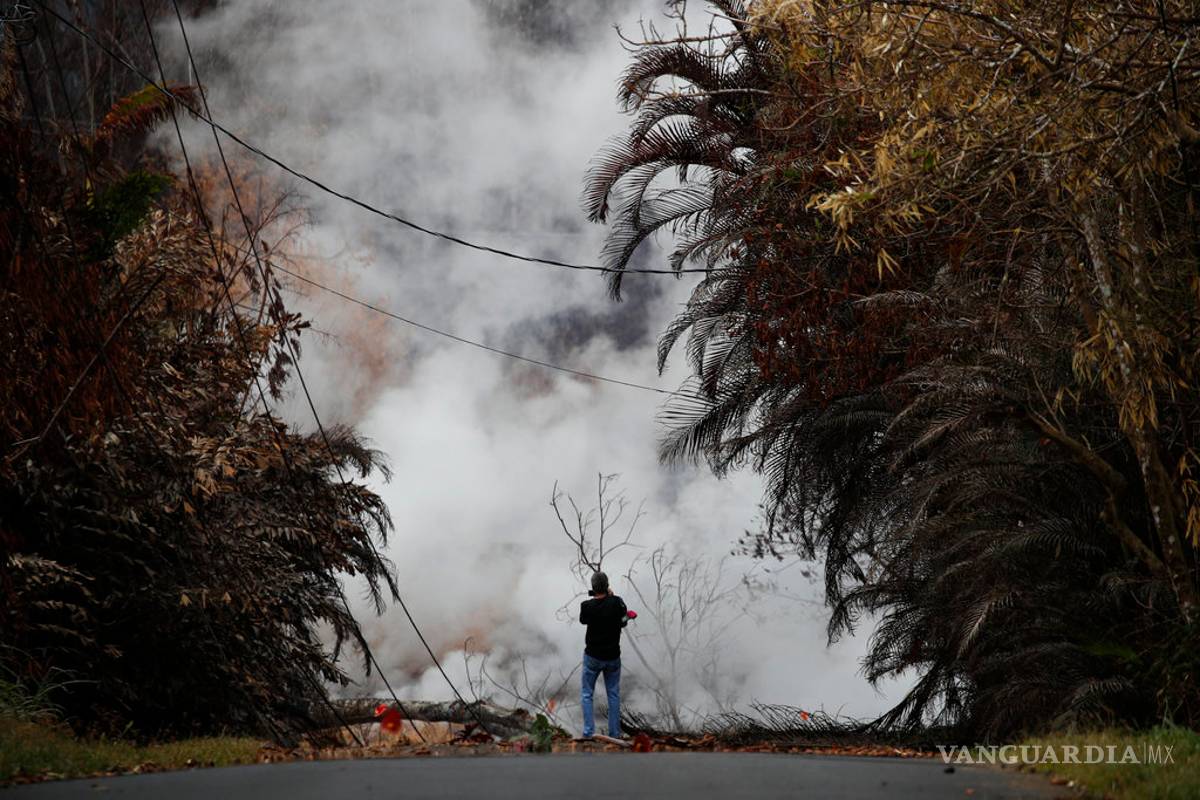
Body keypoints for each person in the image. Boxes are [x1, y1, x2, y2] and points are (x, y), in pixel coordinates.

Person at [578, 570, 628, 739]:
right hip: (613, 657)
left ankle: (588, 733)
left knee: (587, 694)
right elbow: (624, 622)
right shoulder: (617, 602)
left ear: (593, 587)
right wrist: (612, 598)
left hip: (592, 657)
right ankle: (615, 734)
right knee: (613, 695)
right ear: (607, 586)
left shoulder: (586, 606)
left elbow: (583, 620)